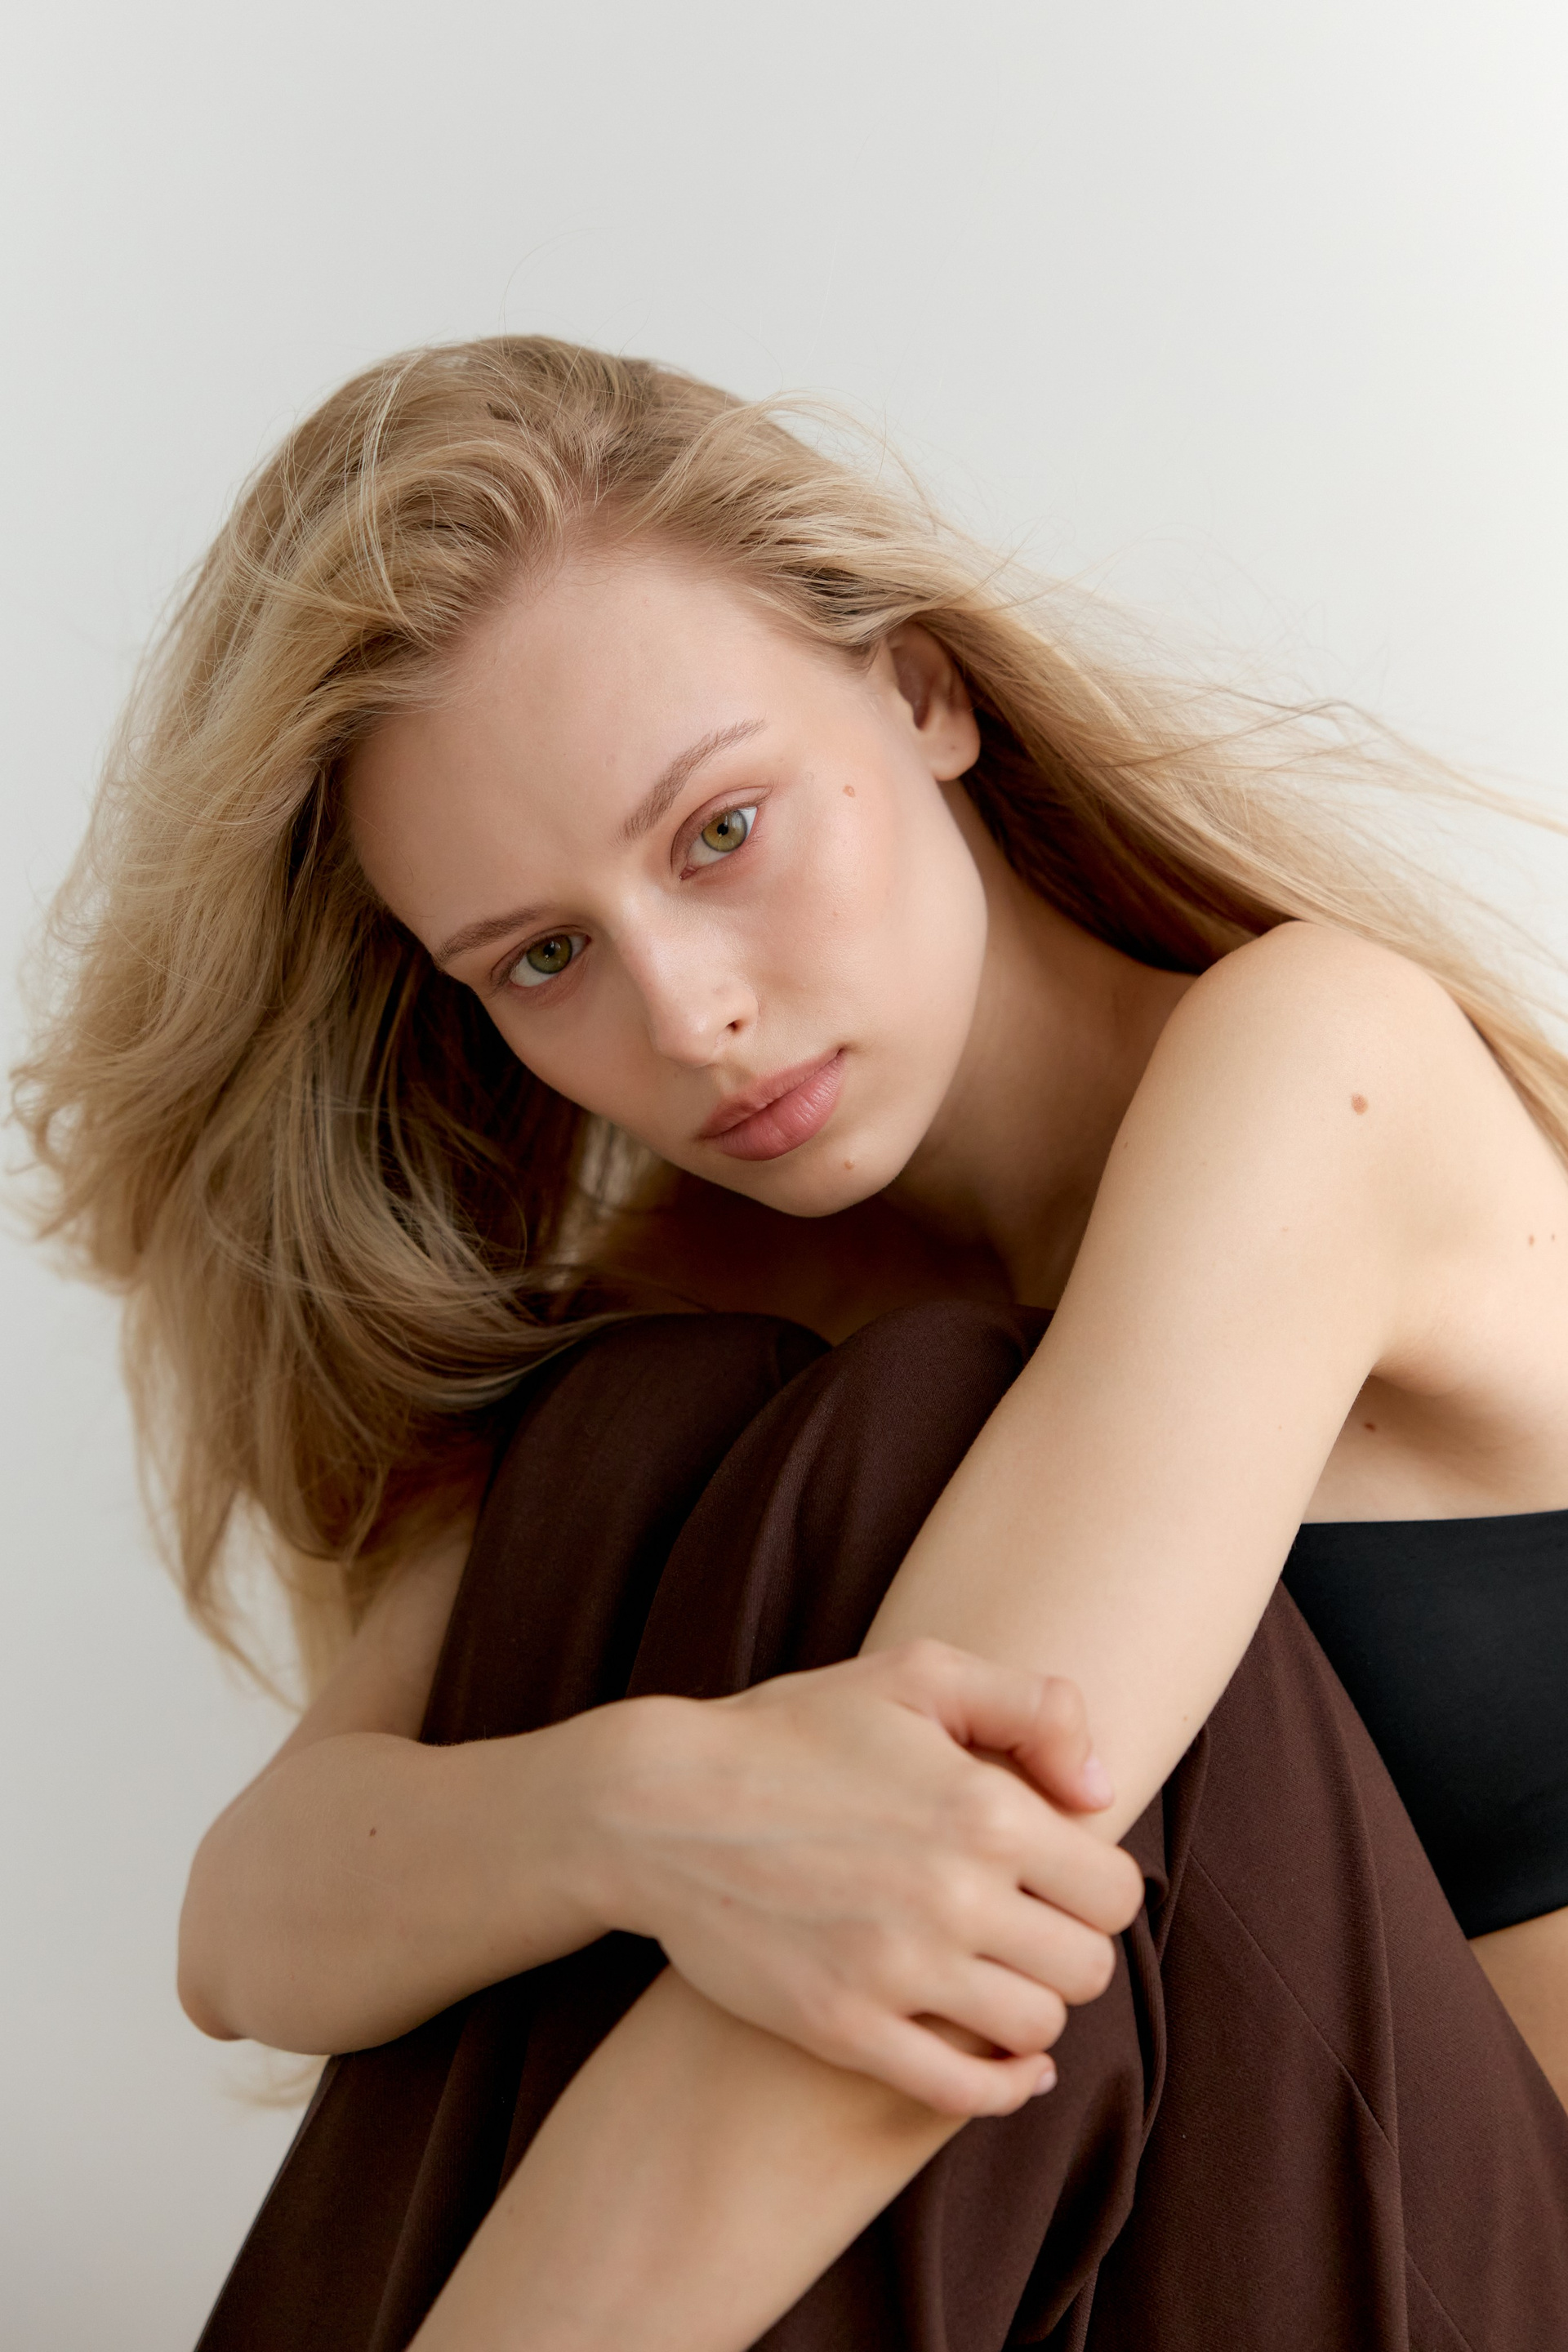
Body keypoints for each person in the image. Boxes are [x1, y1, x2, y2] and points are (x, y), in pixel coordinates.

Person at [16, 336, 1568, 2350]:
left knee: (920, 1455)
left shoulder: (1321, 1066)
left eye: (720, 832)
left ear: (920, 692)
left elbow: (931, 1927)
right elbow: (248, 1926)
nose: (687, 1017)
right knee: (648, 1429)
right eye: (544, 958)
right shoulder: (698, 1294)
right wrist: (648, 1811)